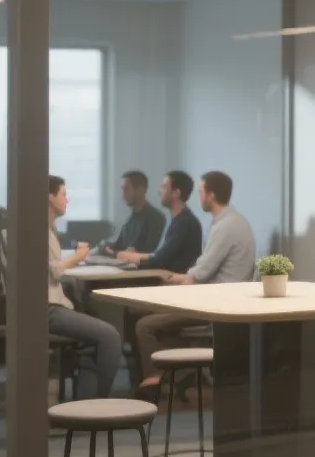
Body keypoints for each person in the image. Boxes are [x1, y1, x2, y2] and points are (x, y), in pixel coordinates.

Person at [134, 170, 256, 401]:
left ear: (211, 195)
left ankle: (156, 379)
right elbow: (202, 270)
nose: (198, 196)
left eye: (201, 192)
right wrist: (175, 279)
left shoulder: (226, 227)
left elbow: (200, 274)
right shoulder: (232, 222)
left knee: (144, 325)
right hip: (215, 297)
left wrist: (173, 281)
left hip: (213, 305)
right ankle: (185, 371)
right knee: (144, 312)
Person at [32, 176, 126, 399]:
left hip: (49, 305)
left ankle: (86, 400)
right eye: (63, 194)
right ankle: (98, 402)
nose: (67, 200)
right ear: (50, 197)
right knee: (111, 336)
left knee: (96, 331)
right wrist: (77, 257)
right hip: (49, 309)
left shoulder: (45, 228)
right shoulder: (40, 230)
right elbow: (54, 271)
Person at [115, 170, 201, 274]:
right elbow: (159, 255)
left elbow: (158, 259)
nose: (160, 192)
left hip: (173, 281)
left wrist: (130, 256)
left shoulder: (184, 223)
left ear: (176, 193)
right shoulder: (179, 220)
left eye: (164, 187)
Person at [102, 170, 165, 256]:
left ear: (140, 190)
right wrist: (104, 245)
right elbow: (118, 246)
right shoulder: (130, 220)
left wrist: (119, 253)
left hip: (136, 264)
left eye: (126, 189)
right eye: (122, 189)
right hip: (122, 261)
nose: (123, 195)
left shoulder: (156, 218)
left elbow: (145, 252)